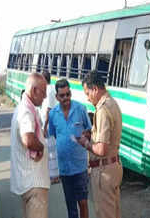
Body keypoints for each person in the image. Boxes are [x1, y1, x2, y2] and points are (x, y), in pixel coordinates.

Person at [78, 70, 123, 218]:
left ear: (95, 89)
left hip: (104, 171)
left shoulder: (103, 109)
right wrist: (91, 135)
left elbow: (101, 149)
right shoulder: (112, 103)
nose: (87, 98)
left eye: (87, 93)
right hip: (114, 166)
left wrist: (86, 143)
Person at [48, 78, 92, 218]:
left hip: (80, 166)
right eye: (62, 95)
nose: (66, 98)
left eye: (68, 94)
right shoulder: (53, 114)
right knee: (71, 206)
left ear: (71, 93)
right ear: (57, 97)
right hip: (65, 169)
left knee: (83, 203)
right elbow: (53, 137)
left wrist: (86, 134)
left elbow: (90, 130)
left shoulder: (80, 109)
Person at [10, 73, 49, 218]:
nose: (45, 97)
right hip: (34, 183)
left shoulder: (23, 107)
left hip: (28, 181)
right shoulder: (26, 111)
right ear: (33, 90)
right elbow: (28, 139)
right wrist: (41, 147)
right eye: (43, 92)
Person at [40, 70, 59, 184]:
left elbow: (48, 110)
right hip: (48, 124)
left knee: (52, 151)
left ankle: (55, 176)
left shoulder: (49, 90)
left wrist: (45, 126)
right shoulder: (50, 89)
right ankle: (52, 175)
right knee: (51, 150)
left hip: (49, 125)